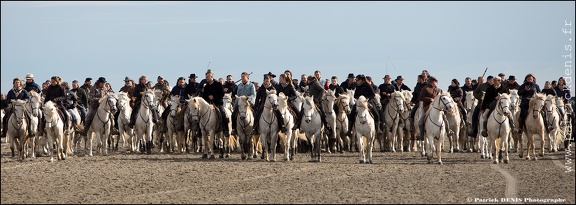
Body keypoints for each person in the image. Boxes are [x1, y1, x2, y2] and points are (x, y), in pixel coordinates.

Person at [201, 69, 231, 137]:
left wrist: (214, 97)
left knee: (223, 113)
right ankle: (200, 131)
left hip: (217, 103)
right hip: (208, 104)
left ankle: (226, 130)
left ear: (211, 77)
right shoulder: (206, 87)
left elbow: (221, 94)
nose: (206, 79)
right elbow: (204, 96)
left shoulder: (218, 84)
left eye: (207, 77)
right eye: (206, 77)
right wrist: (208, 97)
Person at [230, 72, 256, 136]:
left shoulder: (251, 85)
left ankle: (255, 128)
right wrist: (235, 106)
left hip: (248, 104)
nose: (242, 78)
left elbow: (253, 95)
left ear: (247, 77)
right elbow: (237, 97)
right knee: (233, 115)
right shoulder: (239, 86)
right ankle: (234, 129)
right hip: (240, 105)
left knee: (256, 114)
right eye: (241, 77)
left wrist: (247, 99)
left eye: (243, 77)